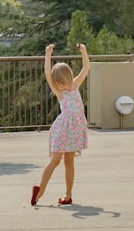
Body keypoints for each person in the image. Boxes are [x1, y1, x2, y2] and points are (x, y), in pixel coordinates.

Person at [31, 42, 90, 206]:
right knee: (55, 160)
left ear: (68, 78)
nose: (60, 86)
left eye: (62, 82)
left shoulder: (76, 84)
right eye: (58, 84)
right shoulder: (60, 92)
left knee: (69, 162)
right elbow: (48, 75)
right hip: (63, 130)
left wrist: (84, 51)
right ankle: (39, 191)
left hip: (75, 130)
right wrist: (48, 54)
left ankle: (68, 195)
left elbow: (86, 68)